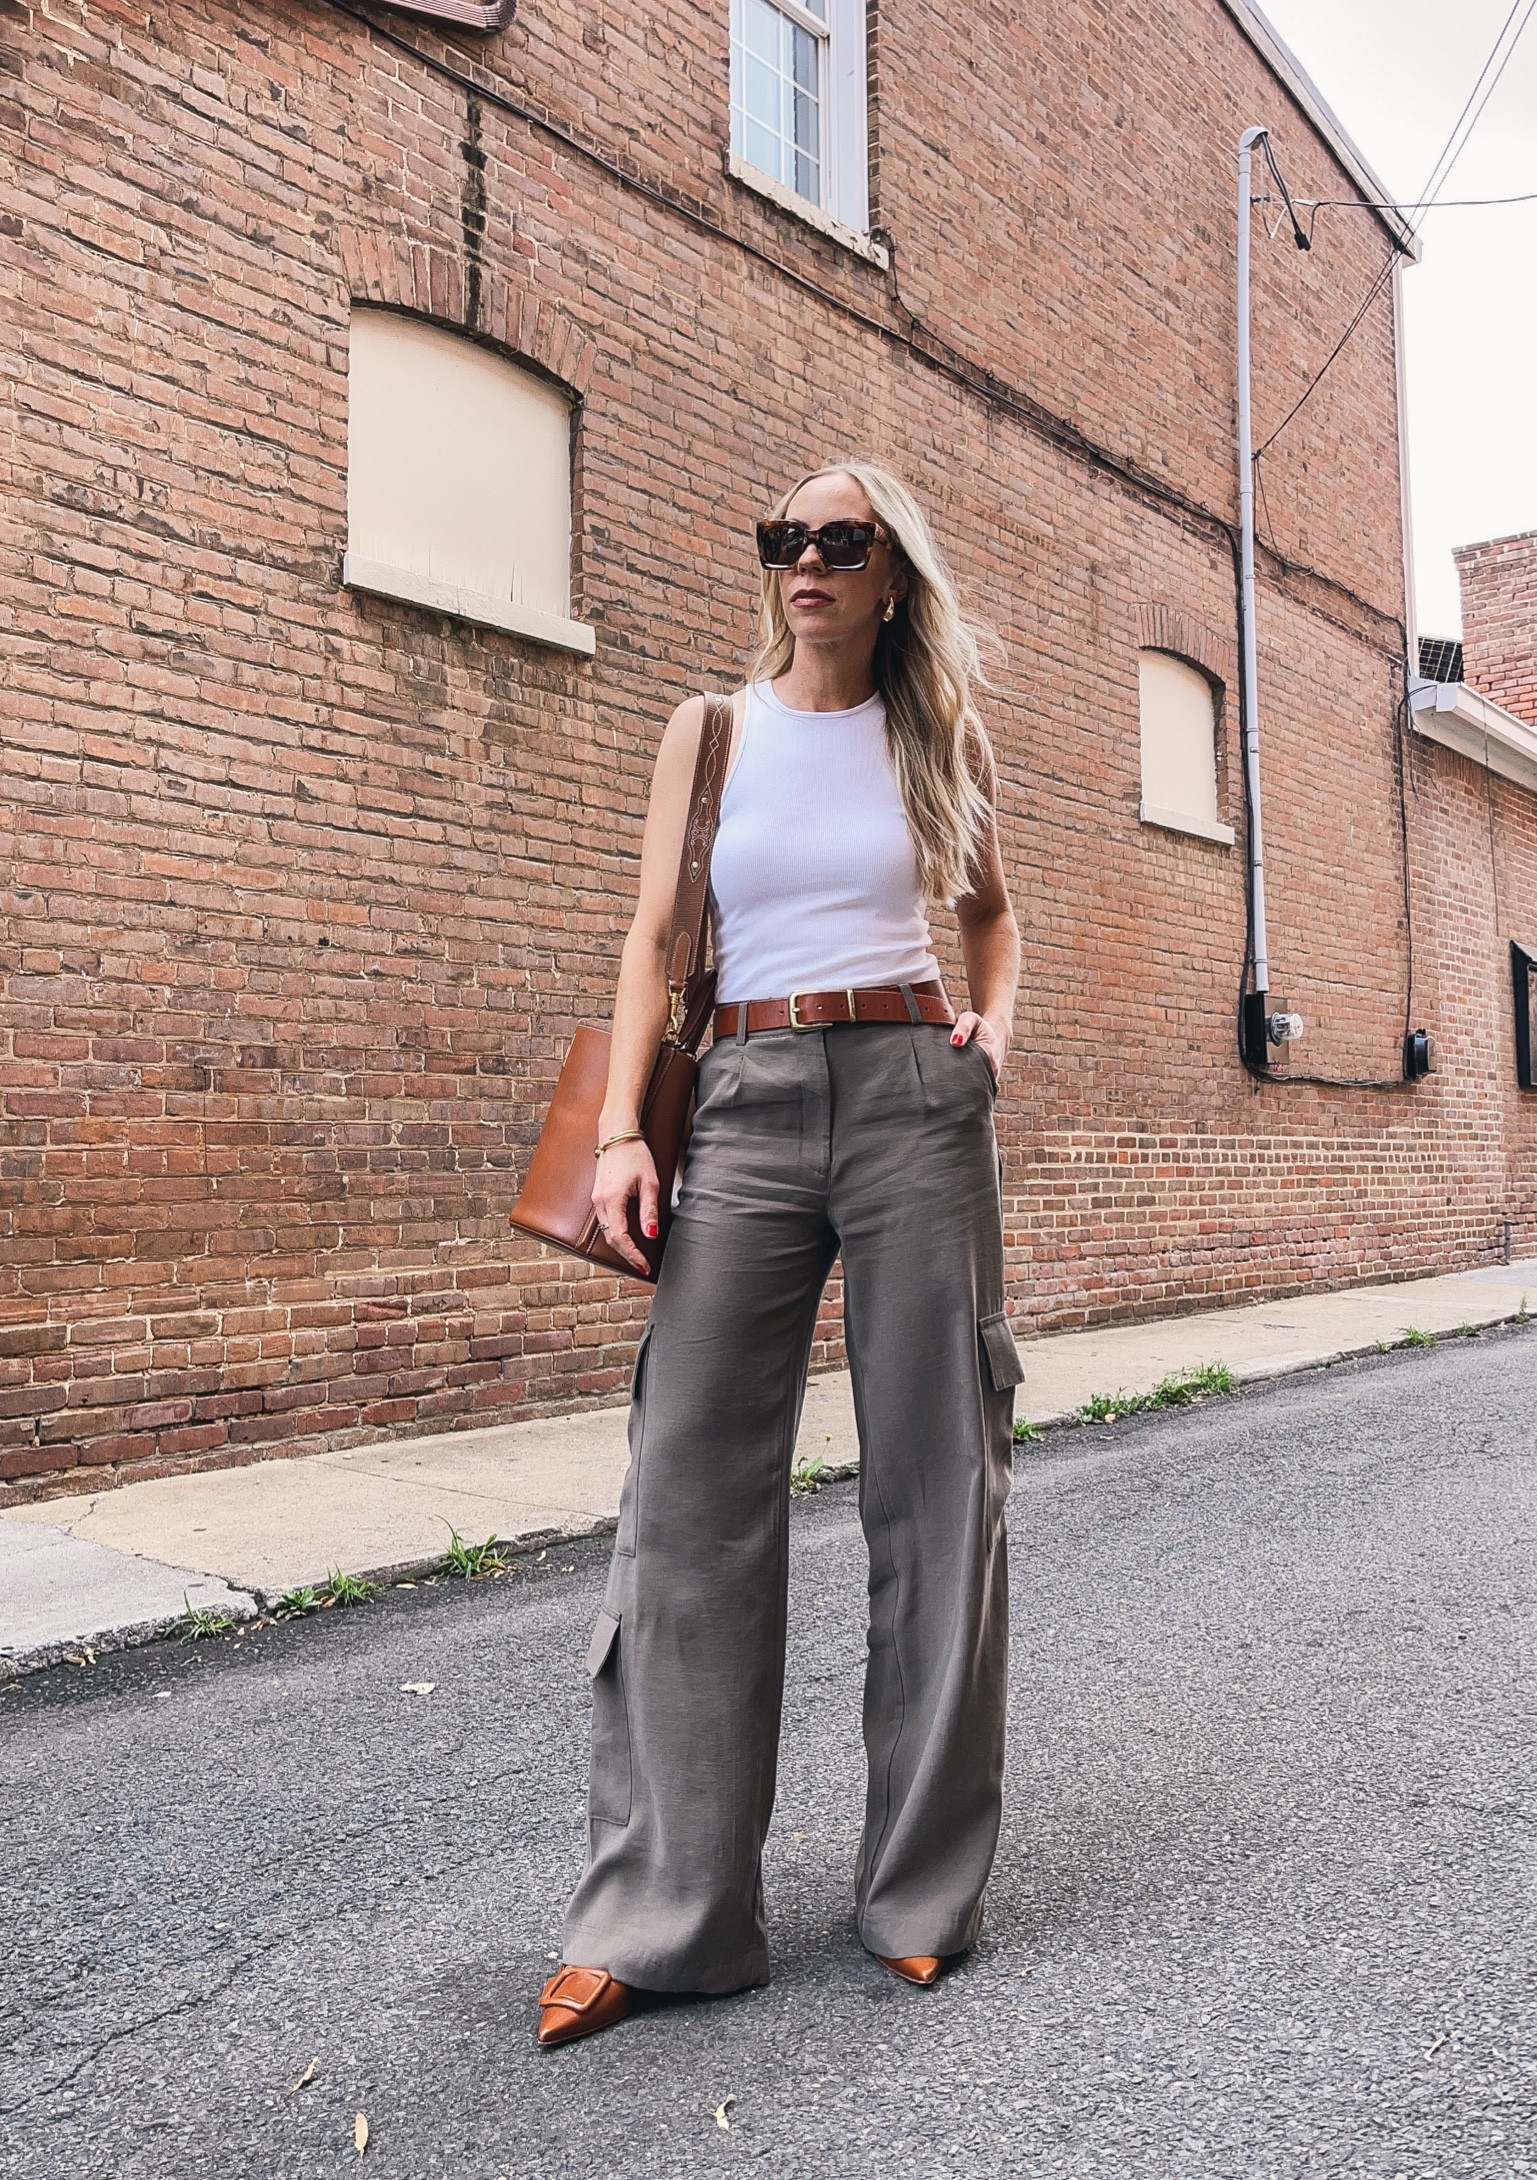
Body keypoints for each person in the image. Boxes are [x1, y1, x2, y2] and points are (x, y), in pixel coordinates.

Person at [536, 459, 1023, 2048]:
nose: (804, 561)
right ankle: (665, 1916)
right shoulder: (712, 728)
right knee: (685, 1498)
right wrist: (622, 1129)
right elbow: (655, 939)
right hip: (736, 1104)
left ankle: (917, 1895)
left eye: (840, 541)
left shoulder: (933, 735)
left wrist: (988, 1034)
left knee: (937, 1485)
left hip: (907, 1101)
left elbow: (994, 917)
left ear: (892, 576)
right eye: (782, 539)